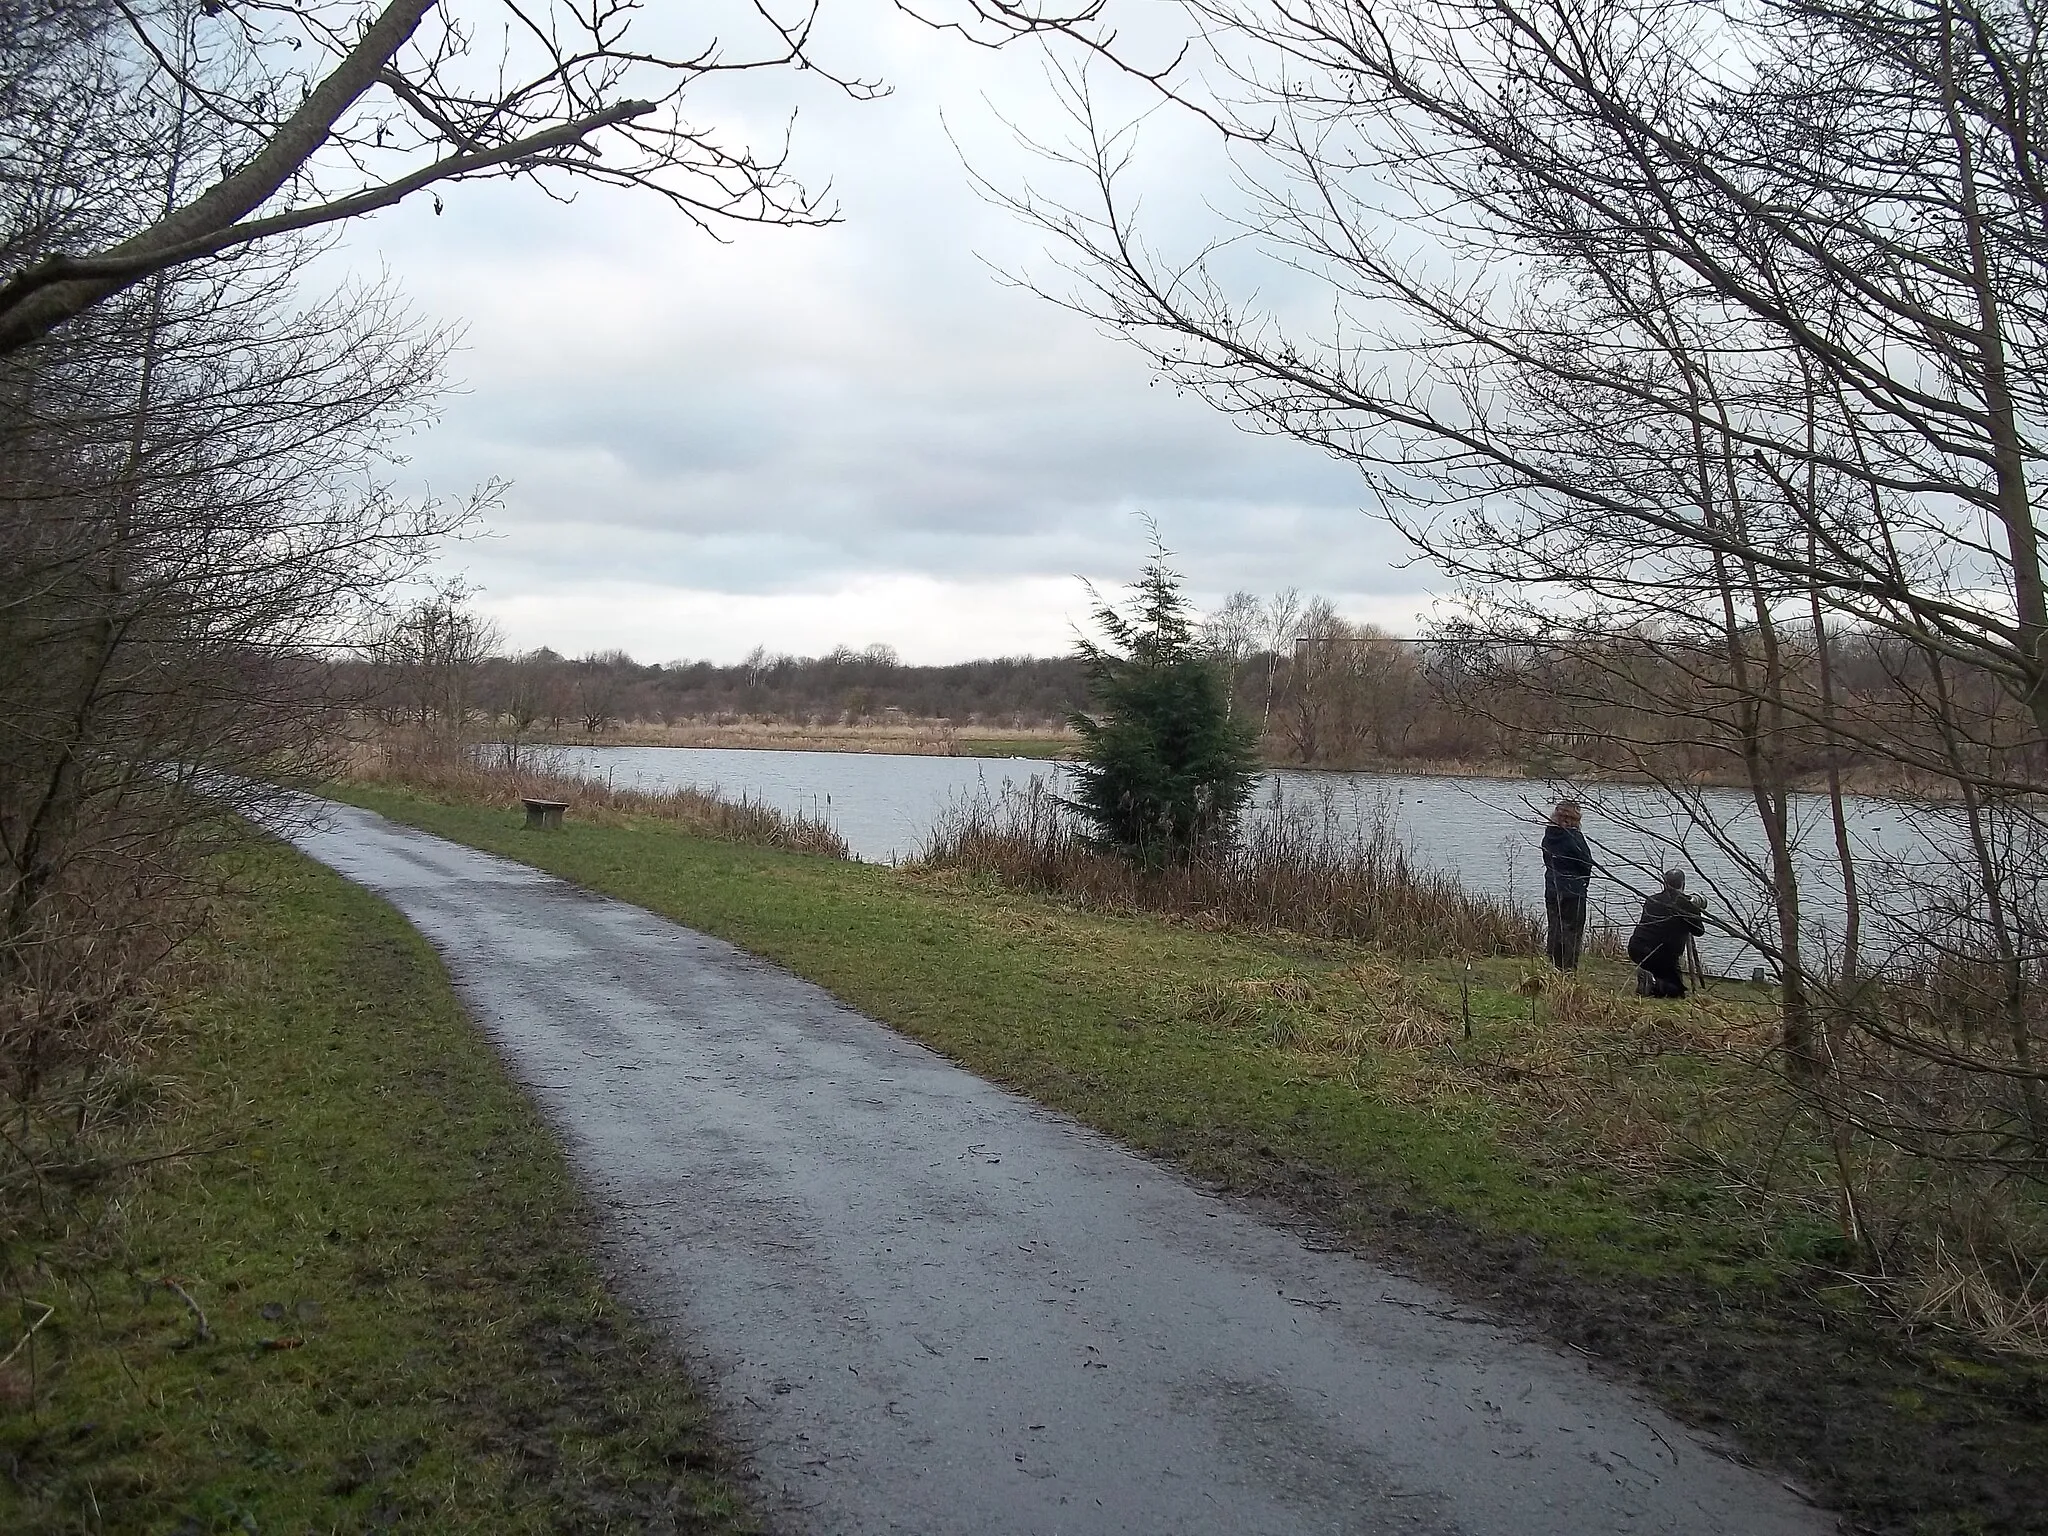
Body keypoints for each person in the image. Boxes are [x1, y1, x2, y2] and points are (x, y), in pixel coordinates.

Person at [1628, 870, 1707, 998]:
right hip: (1662, 955)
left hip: (1636, 949)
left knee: (1668, 976)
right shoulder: (1685, 906)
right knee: (1676, 992)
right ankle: (1653, 983)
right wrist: (1695, 910)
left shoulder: (1652, 900)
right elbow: (1699, 931)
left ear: (1664, 883)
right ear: (1683, 884)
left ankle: (1649, 975)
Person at [1540, 800, 1594, 971]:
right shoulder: (1574, 837)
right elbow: (1585, 863)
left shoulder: (1549, 835)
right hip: (1573, 890)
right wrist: (1584, 883)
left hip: (1552, 887)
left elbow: (1548, 860)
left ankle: (1554, 964)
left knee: (1555, 927)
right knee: (1572, 930)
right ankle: (1568, 969)